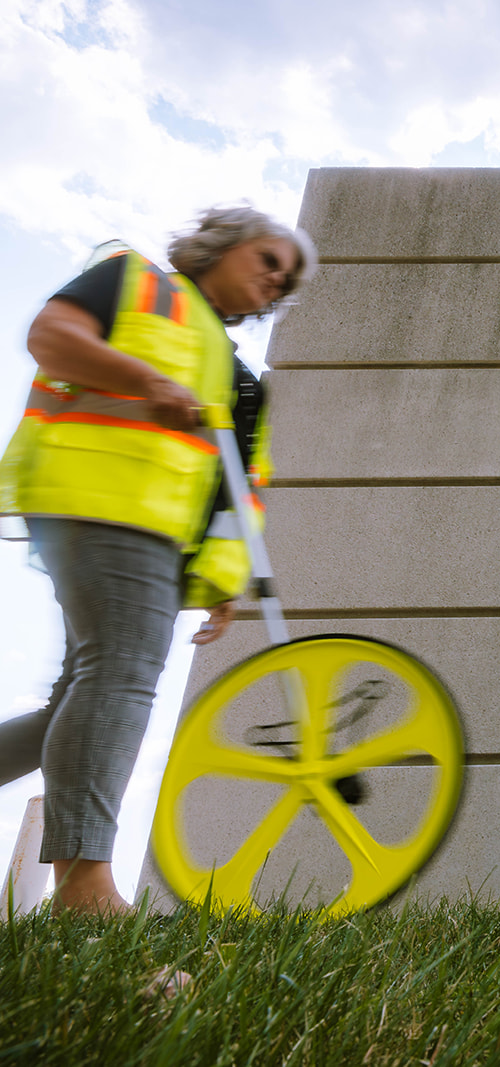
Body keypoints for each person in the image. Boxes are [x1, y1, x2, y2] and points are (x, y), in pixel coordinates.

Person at [0, 205, 315, 916]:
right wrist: (146, 381)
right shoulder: (134, 282)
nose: (276, 280)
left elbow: (231, 485)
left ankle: (79, 879)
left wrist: (223, 578)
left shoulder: (235, 378)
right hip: (95, 501)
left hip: (155, 540)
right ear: (220, 245)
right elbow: (51, 337)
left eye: (286, 280)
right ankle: (83, 887)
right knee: (122, 675)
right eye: (269, 259)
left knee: (76, 701)